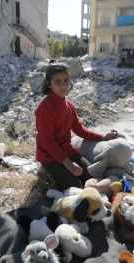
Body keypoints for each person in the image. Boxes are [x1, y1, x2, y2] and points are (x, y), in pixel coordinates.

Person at [35, 62, 118, 191]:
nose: (63, 85)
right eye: (57, 82)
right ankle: (46, 170)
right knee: (75, 187)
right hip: (50, 156)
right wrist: (69, 164)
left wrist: (103, 137)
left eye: (66, 81)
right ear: (48, 84)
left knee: (91, 176)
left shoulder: (69, 106)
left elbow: (80, 130)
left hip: (67, 151)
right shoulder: (45, 107)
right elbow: (47, 141)